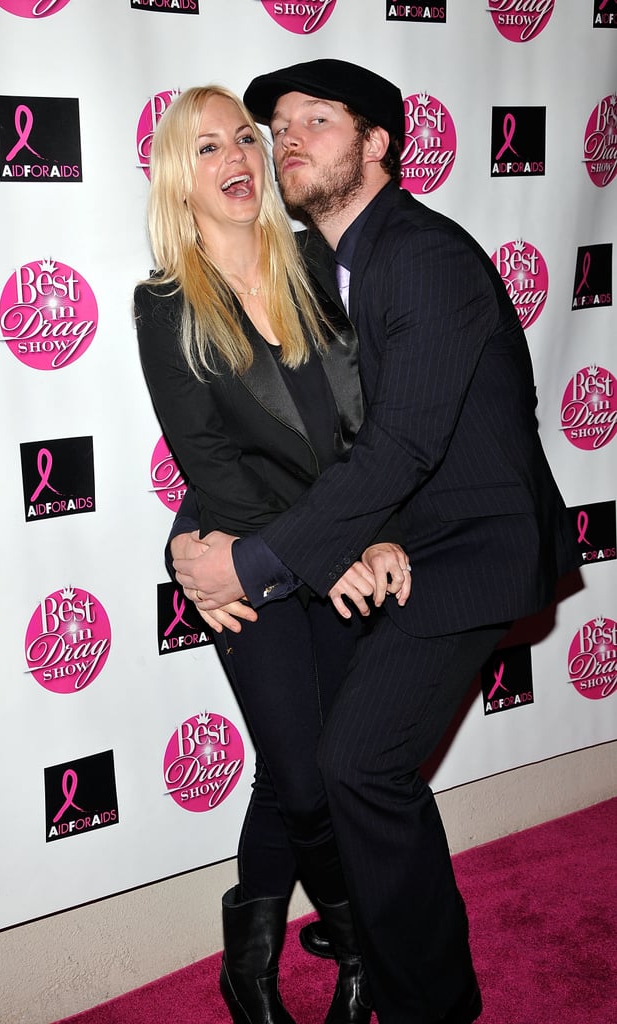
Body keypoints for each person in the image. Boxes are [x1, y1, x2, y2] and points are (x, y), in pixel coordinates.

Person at [170, 60, 581, 1024]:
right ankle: (372, 923)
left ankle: (427, 1000)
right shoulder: (325, 261)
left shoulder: (419, 256)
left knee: (359, 762)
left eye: (319, 120)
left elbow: (397, 445)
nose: (289, 140)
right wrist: (200, 540)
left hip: (467, 548)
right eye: (278, 127)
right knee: (322, 755)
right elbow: (294, 437)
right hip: (393, 543)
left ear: (377, 144)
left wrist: (253, 562)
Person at [134, 84, 412, 1024]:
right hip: (241, 557)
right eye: (207, 147)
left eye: (244, 139)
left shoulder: (314, 262)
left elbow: (366, 421)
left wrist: (355, 533)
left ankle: (250, 957)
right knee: (301, 773)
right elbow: (210, 465)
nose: (238, 157)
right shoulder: (165, 303)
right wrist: (309, 548)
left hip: (335, 543)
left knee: (309, 760)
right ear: (182, 181)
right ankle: (359, 942)